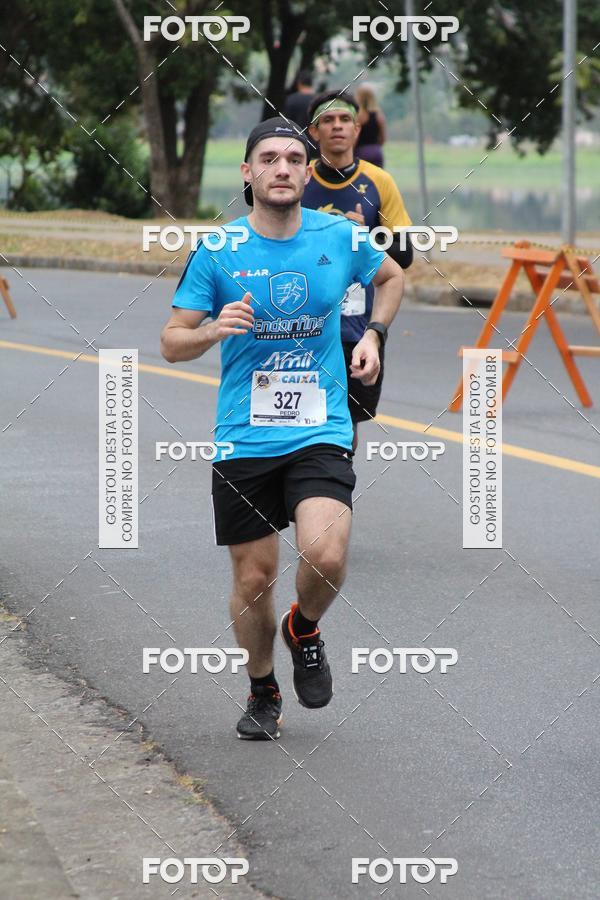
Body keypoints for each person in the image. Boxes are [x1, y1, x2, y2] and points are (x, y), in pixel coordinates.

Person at [160, 117, 404, 741]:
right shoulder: (219, 250)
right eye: (268, 159)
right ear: (248, 172)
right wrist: (212, 330)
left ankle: (303, 627)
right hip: (244, 434)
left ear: (306, 170)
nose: (282, 169)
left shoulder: (339, 236)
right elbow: (171, 341)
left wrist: (374, 335)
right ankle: (263, 687)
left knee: (326, 554)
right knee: (254, 578)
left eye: (294, 159)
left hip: (320, 426)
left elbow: (391, 277)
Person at [303, 89, 413, 450]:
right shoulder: (299, 179)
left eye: (345, 119)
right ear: (314, 131)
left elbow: (404, 254)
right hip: (301, 317)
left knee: (347, 419)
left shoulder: (379, 181)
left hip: (357, 323)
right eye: (327, 120)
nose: (337, 126)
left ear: (357, 128)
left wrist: (357, 237)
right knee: (297, 412)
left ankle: (337, 475)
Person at [355, 84, 386, 169]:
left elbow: (355, 139)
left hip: (361, 152)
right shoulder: (379, 115)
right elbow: (383, 139)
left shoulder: (358, 116)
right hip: (376, 151)